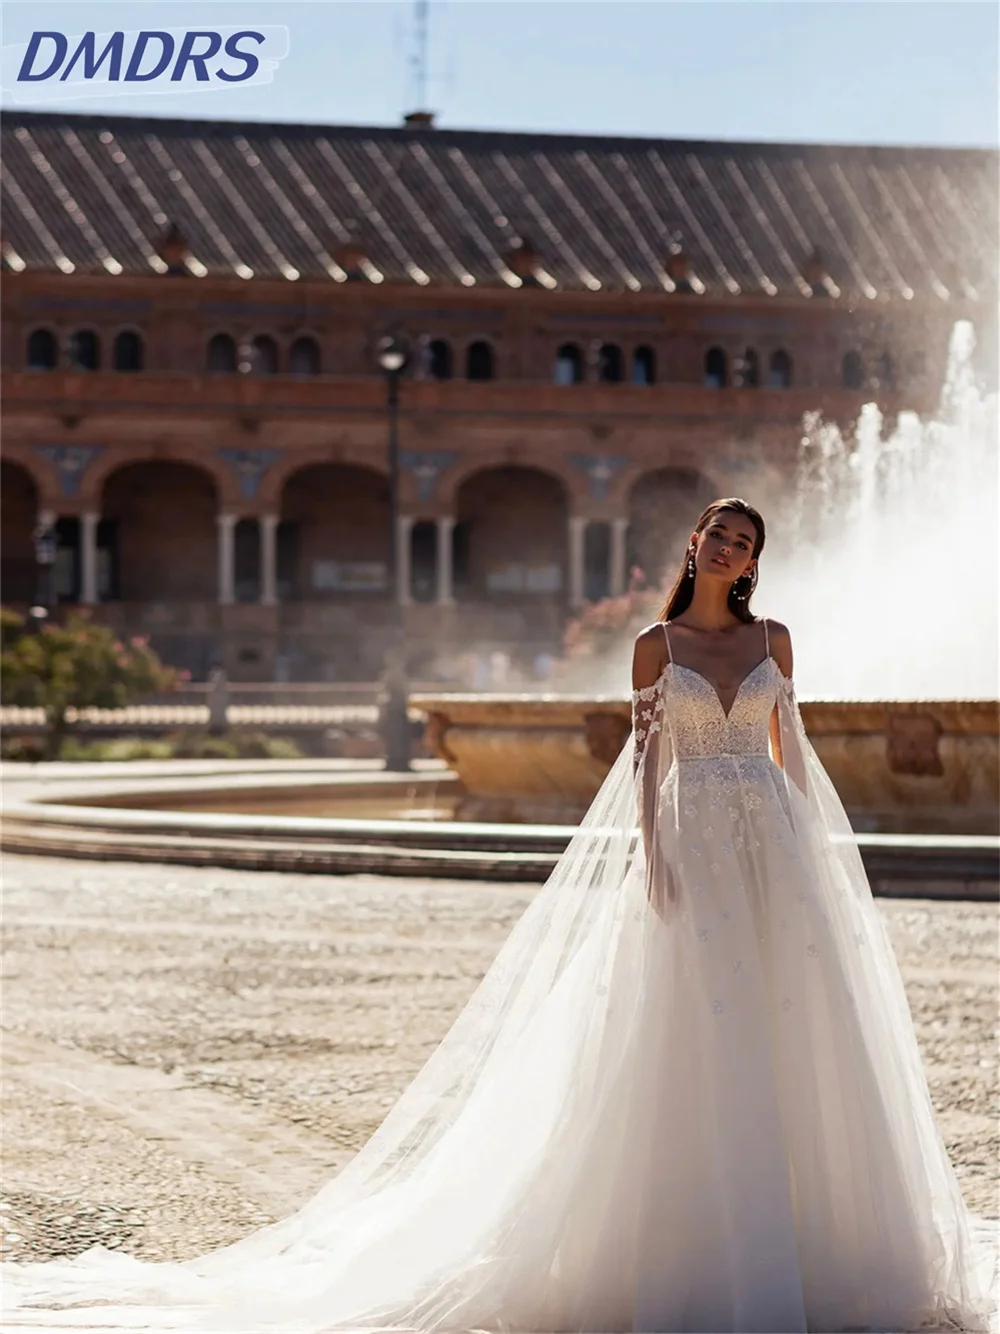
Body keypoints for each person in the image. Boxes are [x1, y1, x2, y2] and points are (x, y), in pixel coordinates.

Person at [4, 499, 996, 1333]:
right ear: (693, 544)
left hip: (775, 842)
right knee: (703, 1021)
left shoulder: (776, 640)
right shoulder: (656, 646)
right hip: (694, 835)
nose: (730, 549)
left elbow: (793, 750)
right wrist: (653, 861)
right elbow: (646, 763)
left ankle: (820, 1230)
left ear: (751, 560)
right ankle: (702, 1243)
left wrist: (816, 858)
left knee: (800, 1019)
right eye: (718, 534)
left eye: (745, 541)